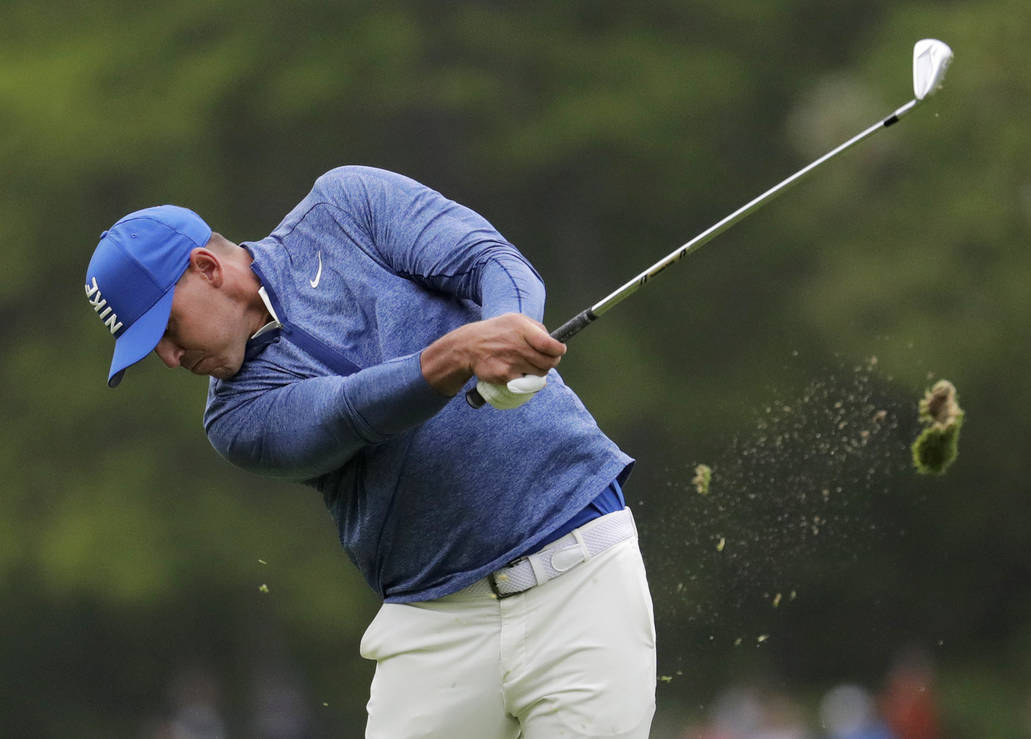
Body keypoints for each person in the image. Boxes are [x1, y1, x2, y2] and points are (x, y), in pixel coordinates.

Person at [84, 165, 656, 738]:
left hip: (581, 574)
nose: (168, 357)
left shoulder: (346, 206)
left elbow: (489, 259)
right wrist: (459, 355)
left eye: (166, 327)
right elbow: (347, 411)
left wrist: (512, 330)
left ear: (206, 269)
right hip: (432, 623)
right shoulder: (234, 417)